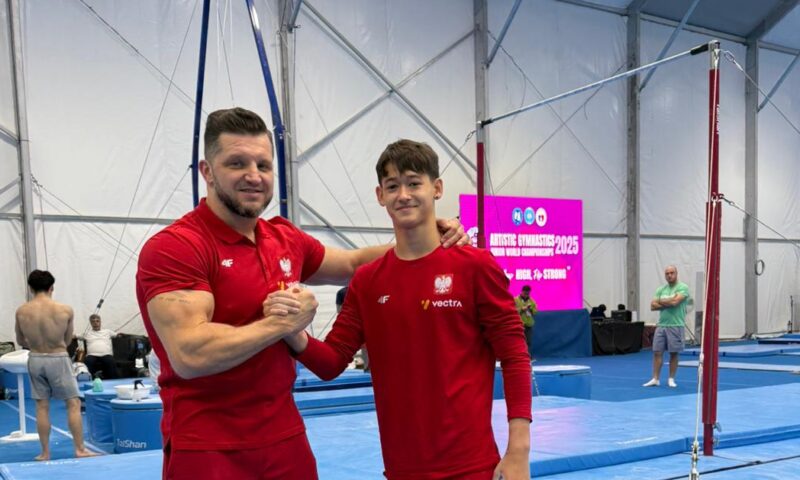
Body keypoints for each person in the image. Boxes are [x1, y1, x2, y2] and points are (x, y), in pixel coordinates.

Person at [135, 108, 467, 480]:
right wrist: (282, 325)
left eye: (263, 165)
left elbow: (352, 262)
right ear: (207, 172)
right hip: (208, 443)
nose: (253, 176)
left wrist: (427, 234)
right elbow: (189, 354)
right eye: (237, 163)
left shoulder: (283, 238)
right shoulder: (177, 247)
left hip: (285, 436)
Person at [273, 139, 532, 480]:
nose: (404, 195)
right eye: (393, 186)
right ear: (380, 195)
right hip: (401, 470)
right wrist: (292, 332)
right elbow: (332, 361)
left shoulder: (476, 267)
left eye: (414, 183)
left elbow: (514, 356)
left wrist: (518, 451)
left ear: (437, 188)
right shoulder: (367, 282)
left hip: (471, 468)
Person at [14, 270, 99, 461]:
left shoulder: (21, 311)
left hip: (35, 358)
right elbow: (68, 340)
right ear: (52, 287)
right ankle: (79, 449)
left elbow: (20, 340)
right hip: (58, 357)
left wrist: (35, 344)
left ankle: (45, 453)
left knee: (41, 406)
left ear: (30, 288)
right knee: (73, 403)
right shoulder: (65, 310)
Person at [643, 265, 690, 388]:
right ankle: (655, 379)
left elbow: (675, 302)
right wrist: (669, 301)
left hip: (676, 325)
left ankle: (671, 379)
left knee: (673, 353)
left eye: (672, 273)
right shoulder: (661, 289)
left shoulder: (683, 287)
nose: (669, 275)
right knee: (657, 352)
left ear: (676, 273)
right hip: (661, 325)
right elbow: (652, 306)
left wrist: (661, 301)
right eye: (667, 273)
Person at [77, 314, 119, 379]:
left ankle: (113, 381)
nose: (95, 323)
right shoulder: (87, 333)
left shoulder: (108, 332)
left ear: (100, 322)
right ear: (91, 323)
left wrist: (121, 335)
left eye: (97, 321)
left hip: (106, 354)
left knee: (110, 362)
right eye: (93, 321)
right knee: (88, 362)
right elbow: (75, 336)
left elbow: (118, 335)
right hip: (92, 355)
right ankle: (89, 380)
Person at [515, 285, 537, 356]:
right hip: (518, 324)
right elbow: (512, 311)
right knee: (519, 341)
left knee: (528, 341)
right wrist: (521, 309)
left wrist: (531, 309)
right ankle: (519, 356)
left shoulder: (532, 301)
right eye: (525, 293)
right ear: (522, 291)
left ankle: (526, 356)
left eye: (528, 293)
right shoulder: (515, 300)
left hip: (528, 324)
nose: (526, 295)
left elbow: (535, 312)